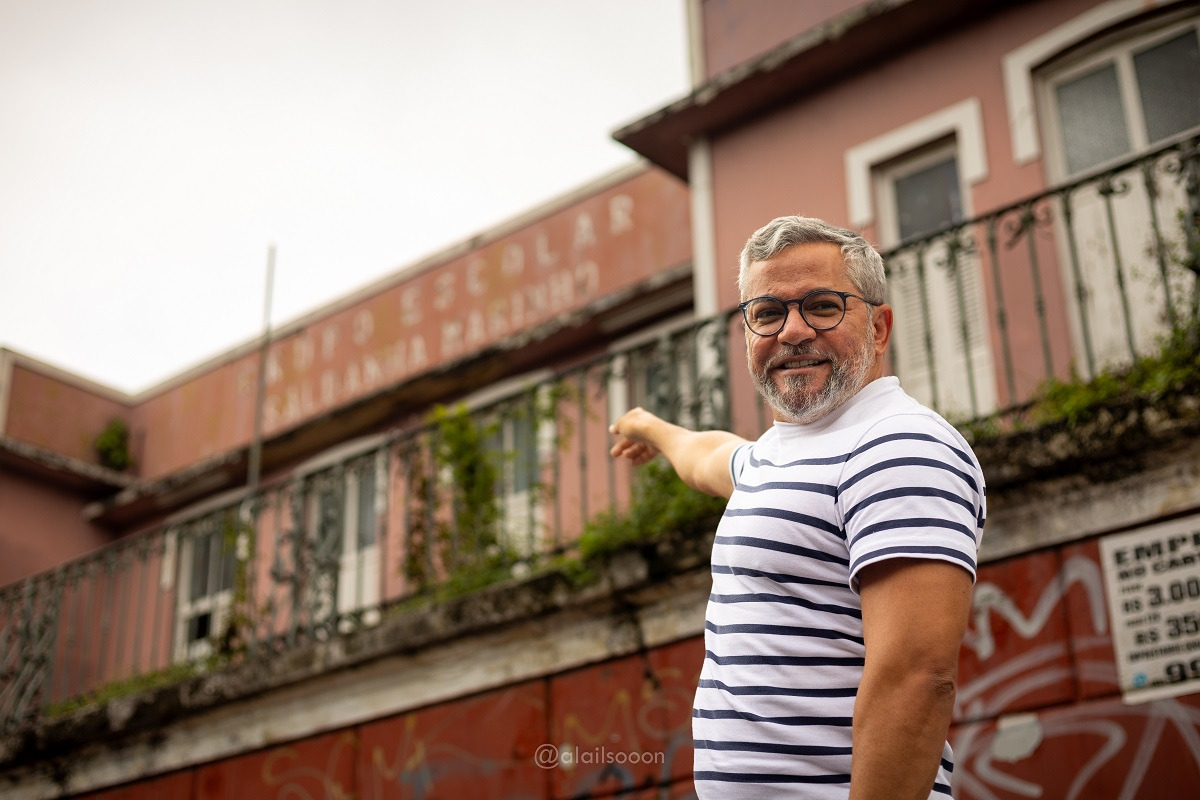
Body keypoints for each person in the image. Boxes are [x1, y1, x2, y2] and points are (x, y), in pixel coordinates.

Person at [609, 216, 984, 799]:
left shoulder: (897, 444)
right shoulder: (778, 456)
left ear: (879, 327)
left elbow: (917, 678)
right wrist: (647, 427)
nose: (792, 331)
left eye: (822, 306)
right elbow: (708, 454)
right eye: (768, 313)